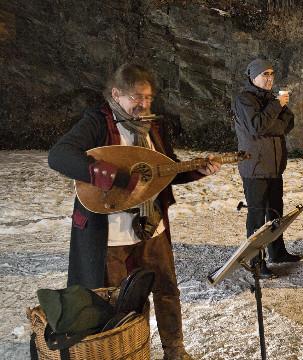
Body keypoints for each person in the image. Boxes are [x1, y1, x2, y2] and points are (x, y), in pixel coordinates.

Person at [48, 63, 221, 360]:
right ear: (116, 94)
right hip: (111, 233)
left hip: (152, 226)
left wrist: (196, 171)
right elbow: (59, 156)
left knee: (166, 290)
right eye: (136, 97)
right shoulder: (97, 122)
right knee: (116, 301)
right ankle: (124, 353)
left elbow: (164, 170)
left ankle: (175, 351)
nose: (143, 104)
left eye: (149, 98)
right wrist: (116, 177)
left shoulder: (153, 126)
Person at [232, 58, 301, 278]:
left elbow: (288, 123)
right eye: (265, 74)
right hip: (255, 167)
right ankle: (256, 262)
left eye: (271, 74)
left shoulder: (271, 99)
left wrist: (275, 113)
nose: (270, 78)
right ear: (253, 77)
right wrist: (276, 107)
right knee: (257, 217)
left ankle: (277, 252)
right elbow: (256, 126)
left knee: (275, 213)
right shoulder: (244, 100)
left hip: (273, 166)